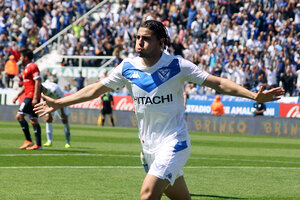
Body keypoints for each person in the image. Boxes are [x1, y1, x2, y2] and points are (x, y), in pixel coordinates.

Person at [34, 20, 285, 200]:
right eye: (137, 37)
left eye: (146, 38)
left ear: (160, 42)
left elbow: (216, 82)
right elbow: (96, 89)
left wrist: (254, 96)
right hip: (148, 149)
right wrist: (61, 102)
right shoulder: (127, 67)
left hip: (174, 143)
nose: (139, 42)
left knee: (147, 194)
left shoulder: (177, 65)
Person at [13, 49, 42, 150]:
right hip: (29, 95)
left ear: (25, 57)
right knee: (33, 120)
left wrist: (35, 97)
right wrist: (18, 95)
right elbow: (26, 85)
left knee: (19, 116)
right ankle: (38, 145)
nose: (20, 58)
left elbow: (38, 81)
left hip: (31, 97)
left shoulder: (33, 66)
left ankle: (29, 140)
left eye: (21, 56)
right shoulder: (27, 68)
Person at [40, 80, 71, 148]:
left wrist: (62, 113)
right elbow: (44, 99)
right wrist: (49, 114)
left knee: (64, 120)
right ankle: (49, 141)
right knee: (48, 119)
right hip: (50, 102)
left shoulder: (54, 89)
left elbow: (60, 101)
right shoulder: (41, 88)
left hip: (62, 100)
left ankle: (67, 141)